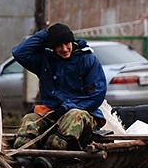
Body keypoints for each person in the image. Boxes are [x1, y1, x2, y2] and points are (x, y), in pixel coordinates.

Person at [10, 22, 108, 151]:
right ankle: (24, 155)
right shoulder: (45, 61)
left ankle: (51, 156)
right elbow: (19, 53)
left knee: (73, 115)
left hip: (83, 114)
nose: (65, 49)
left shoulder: (88, 60)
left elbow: (96, 96)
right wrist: (46, 35)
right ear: (52, 47)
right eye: (58, 45)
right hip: (53, 112)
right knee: (30, 118)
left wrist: (66, 108)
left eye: (67, 43)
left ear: (72, 42)